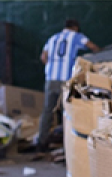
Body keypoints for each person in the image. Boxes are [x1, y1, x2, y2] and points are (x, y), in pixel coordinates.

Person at [34, 18, 99, 153]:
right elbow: (92, 47)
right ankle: (67, 146)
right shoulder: (76, 36)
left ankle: (41, 143)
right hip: (66, 80)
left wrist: (52, 66)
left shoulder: (53, 38)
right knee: (67, 113)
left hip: (51, 78)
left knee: (47, 111)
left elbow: (43, 57)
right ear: (76, 27)